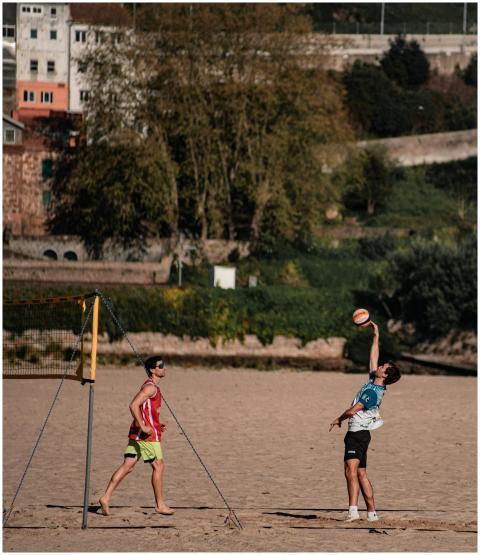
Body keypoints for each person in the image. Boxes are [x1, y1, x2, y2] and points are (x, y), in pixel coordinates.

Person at [329, 320, 401, 522]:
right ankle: (372, 513)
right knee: (360, 474)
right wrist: (376, 335)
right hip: (362, 435)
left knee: (349, 471)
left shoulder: (372, 391)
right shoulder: (375, 382)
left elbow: (353, 411)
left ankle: (353, 511)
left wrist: (338, 418)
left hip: (357, 434)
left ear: (385, 375)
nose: (380, 365)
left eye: (383, 367)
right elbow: (373, 356)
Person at [99, 355, 175, 516]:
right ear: (152, 370)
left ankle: (105, 498)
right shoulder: (150, 388)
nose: (164, 367)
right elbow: (133, 405)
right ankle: (160, 504)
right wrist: (143, 426)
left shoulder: (153, 387)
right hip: (145, 434)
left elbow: (146, 410)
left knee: (128, 466)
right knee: (158, 466)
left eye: (164, 365)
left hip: (139, 432)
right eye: (161, 365)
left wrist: (157, 422)